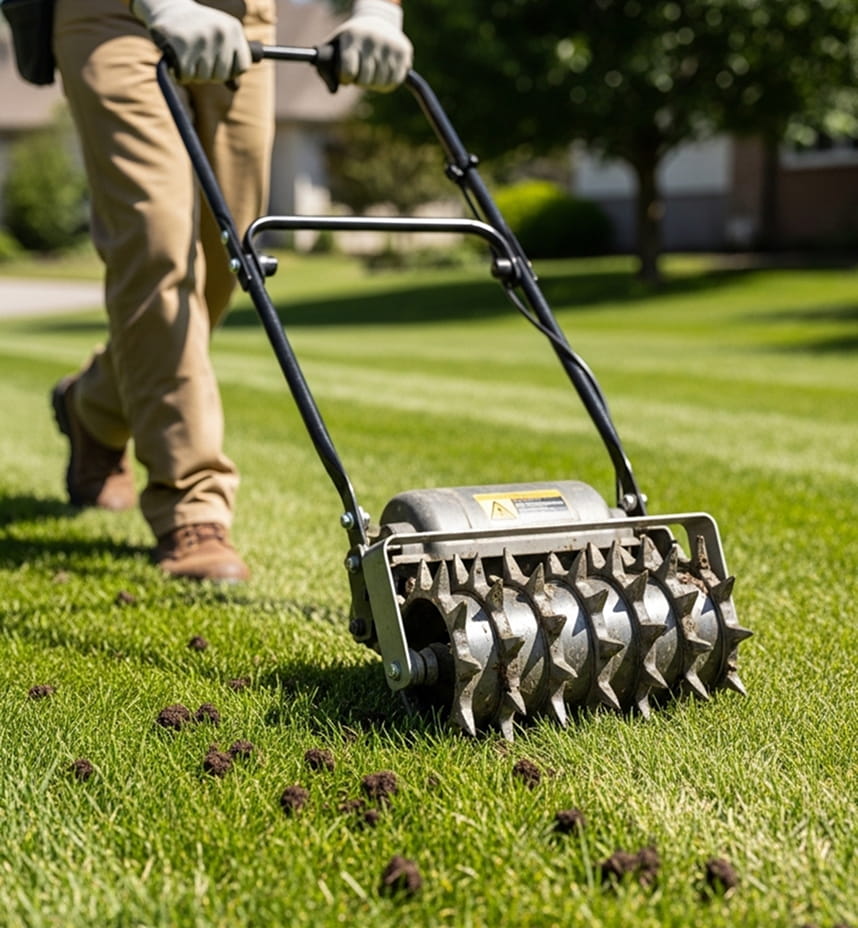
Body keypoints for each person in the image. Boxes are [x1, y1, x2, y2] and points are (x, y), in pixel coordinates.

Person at [50, 0, 412, 581]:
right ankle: (193, 506)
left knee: (228, 257)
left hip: (244, 15)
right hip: (113, 14)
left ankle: (93, 406)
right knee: (157, 246)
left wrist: (376, 13)